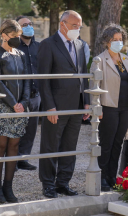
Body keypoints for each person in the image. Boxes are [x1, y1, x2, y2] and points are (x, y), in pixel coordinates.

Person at [38, 10, 90, 199]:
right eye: (74, 25)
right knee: (50, 145)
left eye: (79, 26)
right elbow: (43, 79)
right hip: (56, 107)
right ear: (63, 24)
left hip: (76, 105)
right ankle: (48, 184)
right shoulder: (47, 45)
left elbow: (83, 74)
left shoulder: (79, 44)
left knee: (69, 146)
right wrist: (49, 106)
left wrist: (86, 102)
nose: (78, 29)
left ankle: (63, 183)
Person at [91, 24, 128, 192]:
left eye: (120, 39)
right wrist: (98, 108)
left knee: (118, 143)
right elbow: (94, 86)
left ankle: (112, 177)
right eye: (114, 40)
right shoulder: (99, 60)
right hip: (108, 106)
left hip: (125, 107)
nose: (118, 42)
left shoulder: (125, 59)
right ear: (106, 41)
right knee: (107, 143)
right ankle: (102, 177)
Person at [0, 20, 30, 204]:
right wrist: (13, 103)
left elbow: (27, 80)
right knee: (0, 148)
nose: (17, 39)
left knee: (14, 147)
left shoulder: (21, 54)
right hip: (2, 106)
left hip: (19, 108)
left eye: (18, 36)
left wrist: (23, 102)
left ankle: (8, 186)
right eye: (14, 36)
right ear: (4, 35)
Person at [16, 16, 40, 171]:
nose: (28, 27)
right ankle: (13, 159)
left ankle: (24, 158)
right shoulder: (15, 48)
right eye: (24, 25)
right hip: (19, 95)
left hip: (36, 94)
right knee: (16, 127)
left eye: (30, 24)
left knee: (31, 129)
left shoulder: (39, 47)